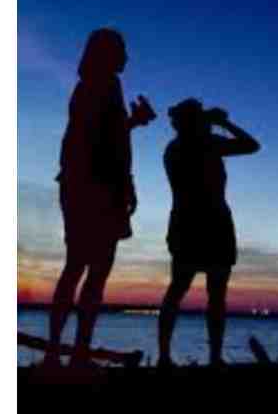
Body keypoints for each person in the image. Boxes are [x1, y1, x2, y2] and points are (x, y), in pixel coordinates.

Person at [43, 28, 155, 368]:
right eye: (121, 50)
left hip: (92, 186)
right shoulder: (99, 86)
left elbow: (108, 137)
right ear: (107, 53)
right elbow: (99, 140)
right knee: (87, 269)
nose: (127, 57)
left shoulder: (99, 86)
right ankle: (66, 353)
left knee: (84, 269)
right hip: (94, 188)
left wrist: (132, 124)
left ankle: (65, 352)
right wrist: (120, 184)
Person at [158, 98, 260, 367]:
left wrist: (214, 122)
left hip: (192, 225)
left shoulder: (178, 147)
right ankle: (208, 357)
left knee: (181, 291)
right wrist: (222, 123)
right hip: (207, 225)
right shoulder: (203, 145)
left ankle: (167, 356)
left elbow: (251, 146)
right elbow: (251, 145)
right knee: (209, 294)